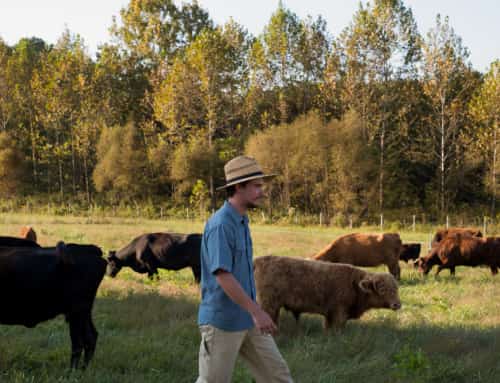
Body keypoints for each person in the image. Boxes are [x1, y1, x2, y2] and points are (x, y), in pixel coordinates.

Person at [196, 155, 293, 383]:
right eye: (257, 186)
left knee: (278, 376)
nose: (262, 191)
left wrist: (253, 313)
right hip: (222, 322)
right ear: (238, 187)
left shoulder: (242, 220)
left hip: (248, 319)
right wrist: (257, 312)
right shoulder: (220, 225)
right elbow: (223, 276)